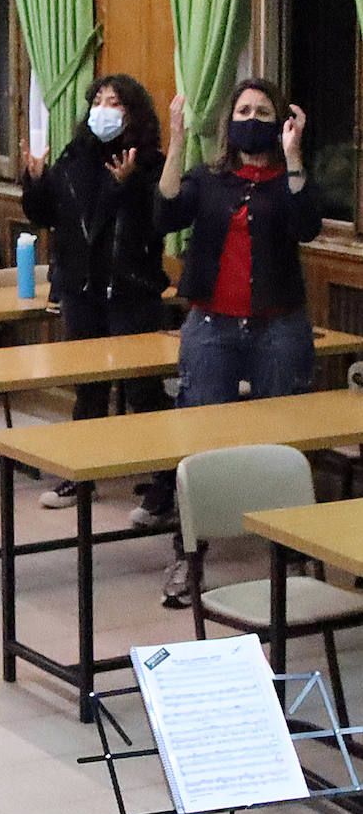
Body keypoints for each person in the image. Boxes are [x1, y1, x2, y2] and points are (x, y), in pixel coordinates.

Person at [150, 78, 320, 605]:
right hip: (211, 328)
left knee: (282, 442)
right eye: (243, 108)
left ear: (279, 123)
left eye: (263, 110)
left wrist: (293, 158)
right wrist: (176, 142)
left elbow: (307, 225)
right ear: (230, 121)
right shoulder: (209, 178)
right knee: (200, 438)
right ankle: (189, 554)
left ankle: (290, 552)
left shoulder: (287, 180)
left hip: (279, 327)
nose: (252, 117)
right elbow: (165, 213)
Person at [20, 73, 172, 509]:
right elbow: (46, 213)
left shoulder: (151, 164)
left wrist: (126, 186)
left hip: (131, 290)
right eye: (99, 100)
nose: (104, 109)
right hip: (80, 289)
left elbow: (159, 221)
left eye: (115, 103)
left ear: (134, 114)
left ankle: (165, 481)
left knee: (143, 389)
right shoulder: (74, 156)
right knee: (87, 388)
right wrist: (34, 179)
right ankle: (79, 475)